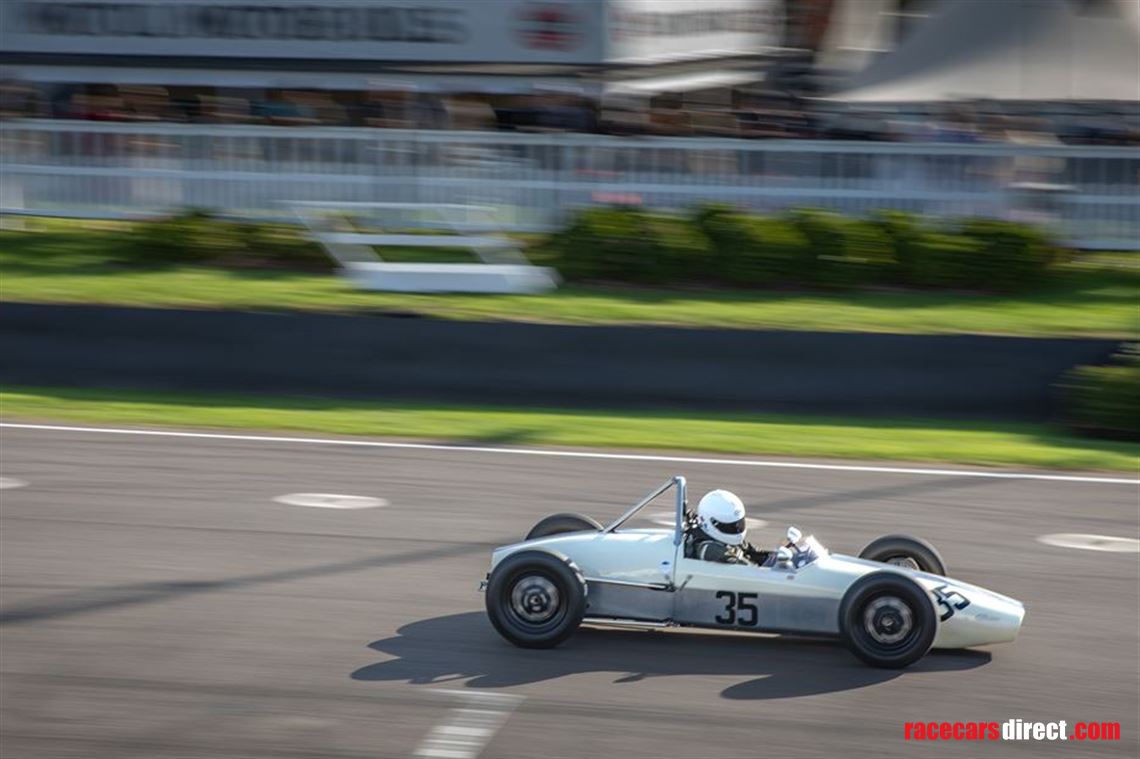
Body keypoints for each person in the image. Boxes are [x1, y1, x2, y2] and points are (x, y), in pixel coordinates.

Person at [685, 489, 770, 565]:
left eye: (738, 524)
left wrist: (774, 559)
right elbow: (748, 569)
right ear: (711, 523)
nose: (736, 530)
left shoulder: (727, 539)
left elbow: (756, 553)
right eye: (729, 527)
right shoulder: (710, 549)